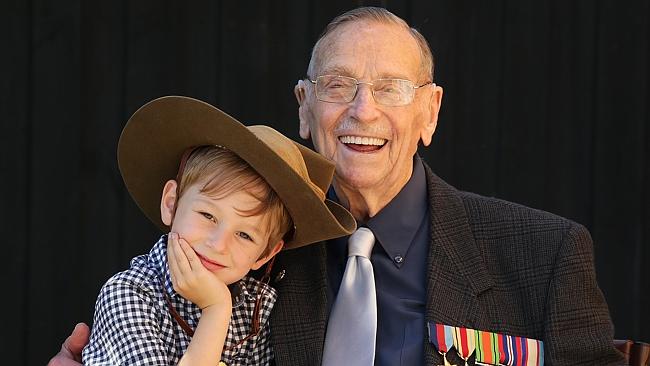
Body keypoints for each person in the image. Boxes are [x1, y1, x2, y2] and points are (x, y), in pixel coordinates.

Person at [50, 7, 624, 366]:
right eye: (338, 84)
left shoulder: (543, 255)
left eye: (390, 88)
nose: (361, 111)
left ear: (430, 112)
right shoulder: (247, 249)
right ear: (304, 109)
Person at [78, 96, 355, 365]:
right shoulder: (129, 295)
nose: (218, 243)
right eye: (208, 215)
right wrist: (215, 310)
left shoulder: (257, 308)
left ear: (266, 254)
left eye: (245, 235)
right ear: (171, 204)